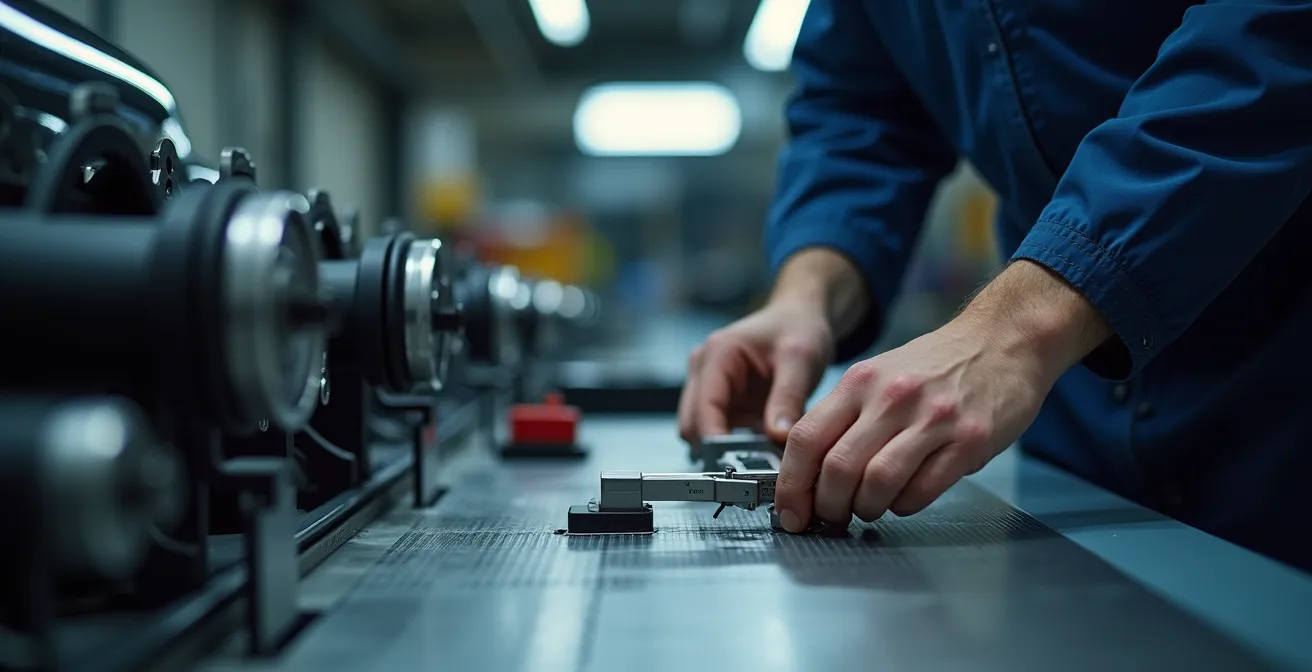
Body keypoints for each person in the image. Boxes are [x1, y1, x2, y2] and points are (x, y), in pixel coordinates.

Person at [677, 0, 1312, 573]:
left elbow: (1270, 40)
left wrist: (1016, 331)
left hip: (1277, 397)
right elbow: (860, 108)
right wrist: (805, 296)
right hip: (1075, 423)